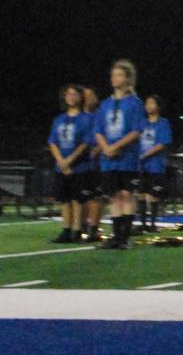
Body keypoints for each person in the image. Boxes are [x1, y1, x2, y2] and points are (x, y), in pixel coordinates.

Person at [93, 61, 148, 249]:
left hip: (127, 158)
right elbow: (98, 130)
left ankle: (125, 237)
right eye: (112, 75)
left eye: (118, 75)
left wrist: (116, 146)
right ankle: (115, 236)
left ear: (127, 78)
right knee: (114, 196)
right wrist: (105, 147)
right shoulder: (105, 104)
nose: (114, 79)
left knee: (127, 195)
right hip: (108, 159)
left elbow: (136, 130)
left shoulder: (135, 103)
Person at [46, 85, 94, 242]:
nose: (71, 97)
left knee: (77, 200)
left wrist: (69, 160)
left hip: (79, 167)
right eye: (68, 94)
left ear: (80, 98)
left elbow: (85, 143)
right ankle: (66, 230)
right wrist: (61, 161)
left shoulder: (86, 118)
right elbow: (52, 142)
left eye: (75, 94)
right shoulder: (59, 119)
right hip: (61, 166)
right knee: (64, 200)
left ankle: (77, 230)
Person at [137, 94, 173, 233]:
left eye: (152, 103)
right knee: (141, 193)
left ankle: (152, 224)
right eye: (147, 103)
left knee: (153, 194)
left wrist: (145, 154)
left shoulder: (163, 123)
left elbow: (163, 143)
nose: (149, 106)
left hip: (155, 165)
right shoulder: (141, 123)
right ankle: (142, 224)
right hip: (141, 165)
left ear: (158, 106)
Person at [80, 88, 104, 239]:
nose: (88, 98)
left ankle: (94, 228)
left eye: (91, 95)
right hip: (80, 162)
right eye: (85, 96)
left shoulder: (100, 116)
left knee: (96, 196)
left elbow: (107, 134)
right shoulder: (78, 116)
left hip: (98, 162)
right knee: (81, 197)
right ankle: (81, 227)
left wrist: (98, 148)